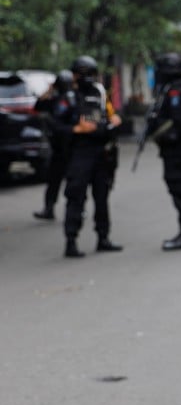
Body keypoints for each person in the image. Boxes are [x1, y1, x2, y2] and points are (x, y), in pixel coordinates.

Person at [62, 55, 123, 258]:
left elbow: (112, 117)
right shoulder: (69, 96)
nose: (86, 77)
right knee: (75, 196)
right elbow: (53, 125)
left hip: (101, 152)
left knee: (102, 197)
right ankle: (71, 240)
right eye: (82, 73)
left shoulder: (100, 92)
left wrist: (110, 123)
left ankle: (103, 238)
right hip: (79, 153)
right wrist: (75, 130)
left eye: (90, 73)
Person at [146, 52, 181, 251]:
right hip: (178, 150)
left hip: (177, 150)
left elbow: (177, 124)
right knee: (178, 188)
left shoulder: (176, 92)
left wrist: (161, 133)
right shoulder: (175, 89)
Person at [32, 70, 77, 220]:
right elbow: (38, 106)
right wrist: (49, 91)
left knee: (74, 182)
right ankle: (49, 208)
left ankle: (76, 209)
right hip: (58, 148)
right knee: (54, 180)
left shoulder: (74, 99)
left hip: (70, 147)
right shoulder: (55, 99)